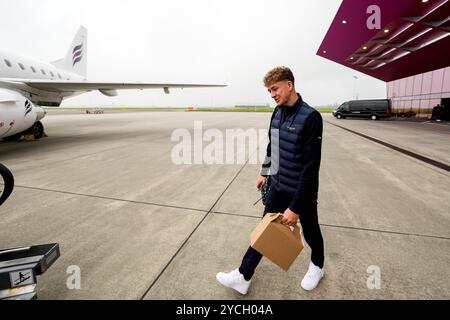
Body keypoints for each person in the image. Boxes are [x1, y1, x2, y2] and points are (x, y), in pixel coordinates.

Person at [216, 66, 325, 294]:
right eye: (269, 91)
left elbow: (310, 167)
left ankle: (317, 265)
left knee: (311, 230)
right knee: (265, 228)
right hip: (276, 184)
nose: (272, 94)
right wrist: (264, 172)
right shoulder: (277, 112)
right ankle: (243, 275)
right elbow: (272, 146)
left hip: (300, 191)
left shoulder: (311, 117)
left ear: (289, 85)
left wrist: (295, 207)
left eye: (274, 89)